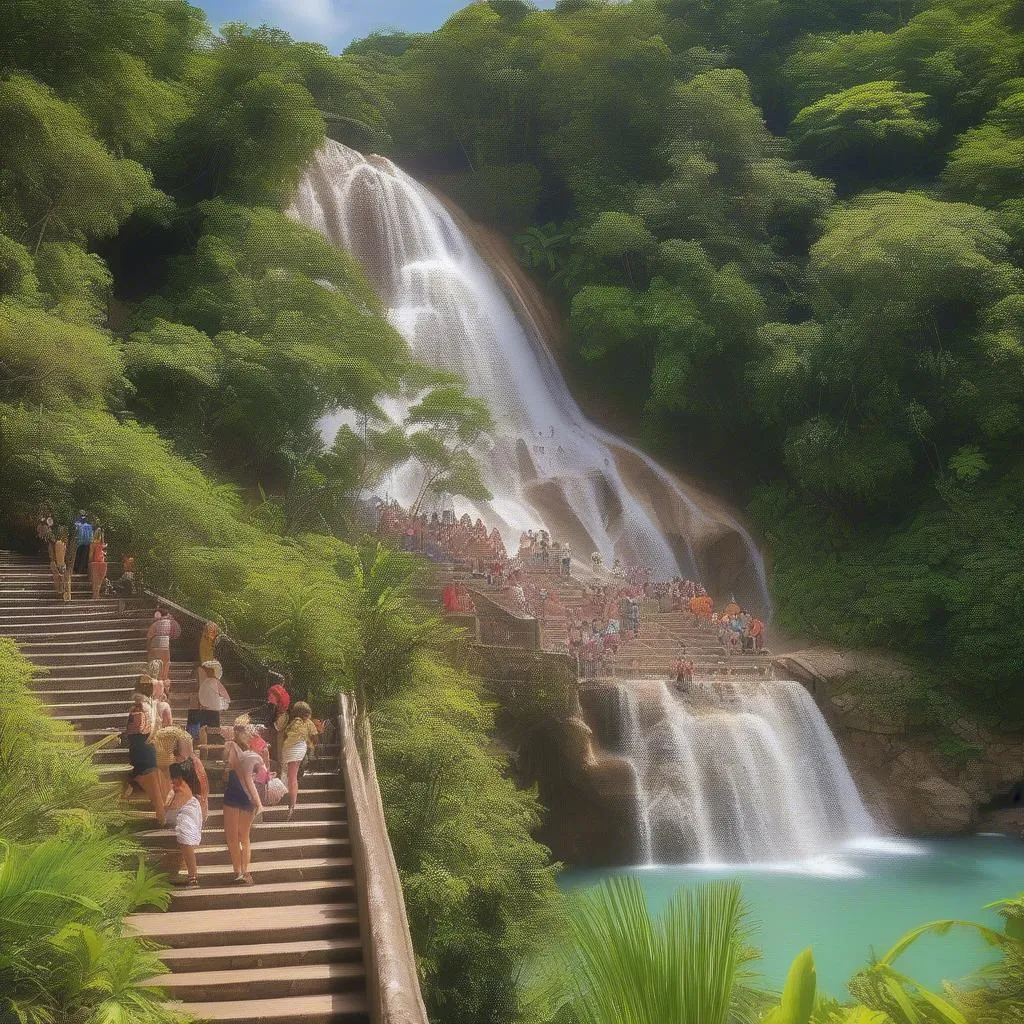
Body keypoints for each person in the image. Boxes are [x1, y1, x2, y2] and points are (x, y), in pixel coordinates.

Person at [222, 718, 264, 885]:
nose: (249, 734)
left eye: (249, 731)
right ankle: (239, 871)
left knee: (241, 836)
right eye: (246, 731)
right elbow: (230, 763)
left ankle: (244, 871)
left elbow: (263, 774)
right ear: (238, 732)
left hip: (242, 793)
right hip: (236, 792)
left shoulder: (253, 750)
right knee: (234, 836)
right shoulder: (232, 746)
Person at [121, 692, 165, 825]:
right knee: (157, 797)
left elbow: (136, 730)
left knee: (157, 796)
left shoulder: (138, 716)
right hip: (146, 755)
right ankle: (162, 821)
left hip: (142, 755)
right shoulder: (146, 716)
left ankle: (162, 821)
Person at [280, 702, 319, 820]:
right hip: (298, 748)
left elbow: (284, 734)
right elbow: (315, 736)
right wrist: (311, 746)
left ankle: (292, 804)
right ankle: (292, 802)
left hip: (290, 748)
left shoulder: (291, 722)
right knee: (291, 776)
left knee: (291, 776)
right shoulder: (308, 723)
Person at [192, 659, 229, 751]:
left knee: (205, 728)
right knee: (214, 727)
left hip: (205, 708)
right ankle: (214, 745)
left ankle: (205, 745)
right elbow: (224, 694)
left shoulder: (204, 683)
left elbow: (201, 695)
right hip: (214, 708)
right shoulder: (215, 682)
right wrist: (225, 702)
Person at [147, 608, 180, 684]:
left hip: (155, 646)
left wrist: (148, 646)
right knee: (166, 663)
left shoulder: (155, 624)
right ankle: (164, 681)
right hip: (166, 646)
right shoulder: (171, 622)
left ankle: (157, 680)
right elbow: (177, 633)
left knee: (156, 663)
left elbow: (149, 635)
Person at [88, 526, 108, 599]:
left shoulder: (93, 544)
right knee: (99, 581)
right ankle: (97, 595)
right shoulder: (103, 544)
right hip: (102, 563)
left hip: (95, 562)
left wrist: (89, 562)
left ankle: (95, 596)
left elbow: (91, 555)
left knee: (95, 581)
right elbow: (104, 554)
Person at [51, 526, 69, 601]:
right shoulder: (61, 543)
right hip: (61, 563)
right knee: (62, 579)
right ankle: (62, 593)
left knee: (61, 579)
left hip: (60, 563)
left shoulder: (58, 543)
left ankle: (61, 593)